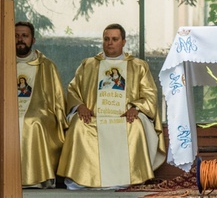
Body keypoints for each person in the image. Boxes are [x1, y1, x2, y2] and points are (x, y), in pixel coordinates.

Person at [57, 23, 166, 189]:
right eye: (106, 39)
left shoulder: (138, 66)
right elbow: (73, 89)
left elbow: (150, 94)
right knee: (78, 125)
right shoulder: (89, 64)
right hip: (93, 116)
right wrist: (79, 106)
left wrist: (135, 108)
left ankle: (128, 178)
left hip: (125, 117)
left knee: (136, 126)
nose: (110, 43)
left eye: (115, 39)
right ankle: (82, 178)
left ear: (123, 42)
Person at [15, 20, 67, 188]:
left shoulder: (47, 65)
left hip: (41, 112)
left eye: (24, 36)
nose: (20, 39)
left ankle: (37, 178)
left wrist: (61, 121)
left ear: (33, 40)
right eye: (16, 36)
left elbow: (57, 99)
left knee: (33, 121)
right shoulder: (3, 62)